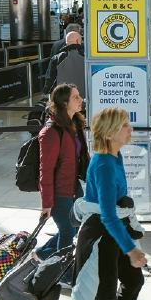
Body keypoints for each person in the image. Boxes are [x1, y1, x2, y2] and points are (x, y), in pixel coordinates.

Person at [74, 107, 147, 300]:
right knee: (105, 296)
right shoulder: (104, 164)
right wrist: (131, 249)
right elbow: (107, 215)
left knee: (133, 281)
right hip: (104, 236)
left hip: (113, 232)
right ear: (109, 133)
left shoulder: (115, 157)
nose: (130, 130)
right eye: (125, 125)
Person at [35, 83, 89, 287]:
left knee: (74, 228)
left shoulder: (74, 124)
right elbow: (45, 169)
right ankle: (62, 272)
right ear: (64, 102)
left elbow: (82, 155)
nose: (80, 99)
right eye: (76, 97)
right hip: (59, 191)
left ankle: (43, 254)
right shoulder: (51, 132)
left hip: (73, 185)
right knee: (67, 230)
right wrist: (46, 203)